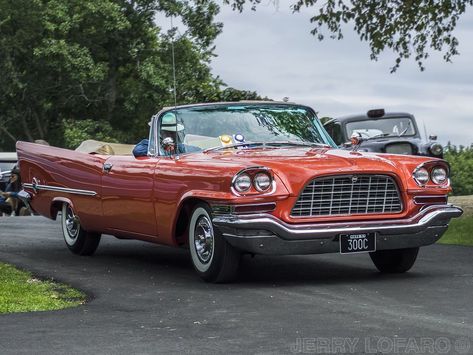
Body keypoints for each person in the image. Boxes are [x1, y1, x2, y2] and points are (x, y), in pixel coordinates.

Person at [132, 112, 199, 157]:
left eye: (173, 132)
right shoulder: (151, 144)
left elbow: (198, 150)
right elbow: (137, 151)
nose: (171, 135)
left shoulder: (179, 147)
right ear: (160, 132)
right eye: (167, 132)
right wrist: (162, 146)